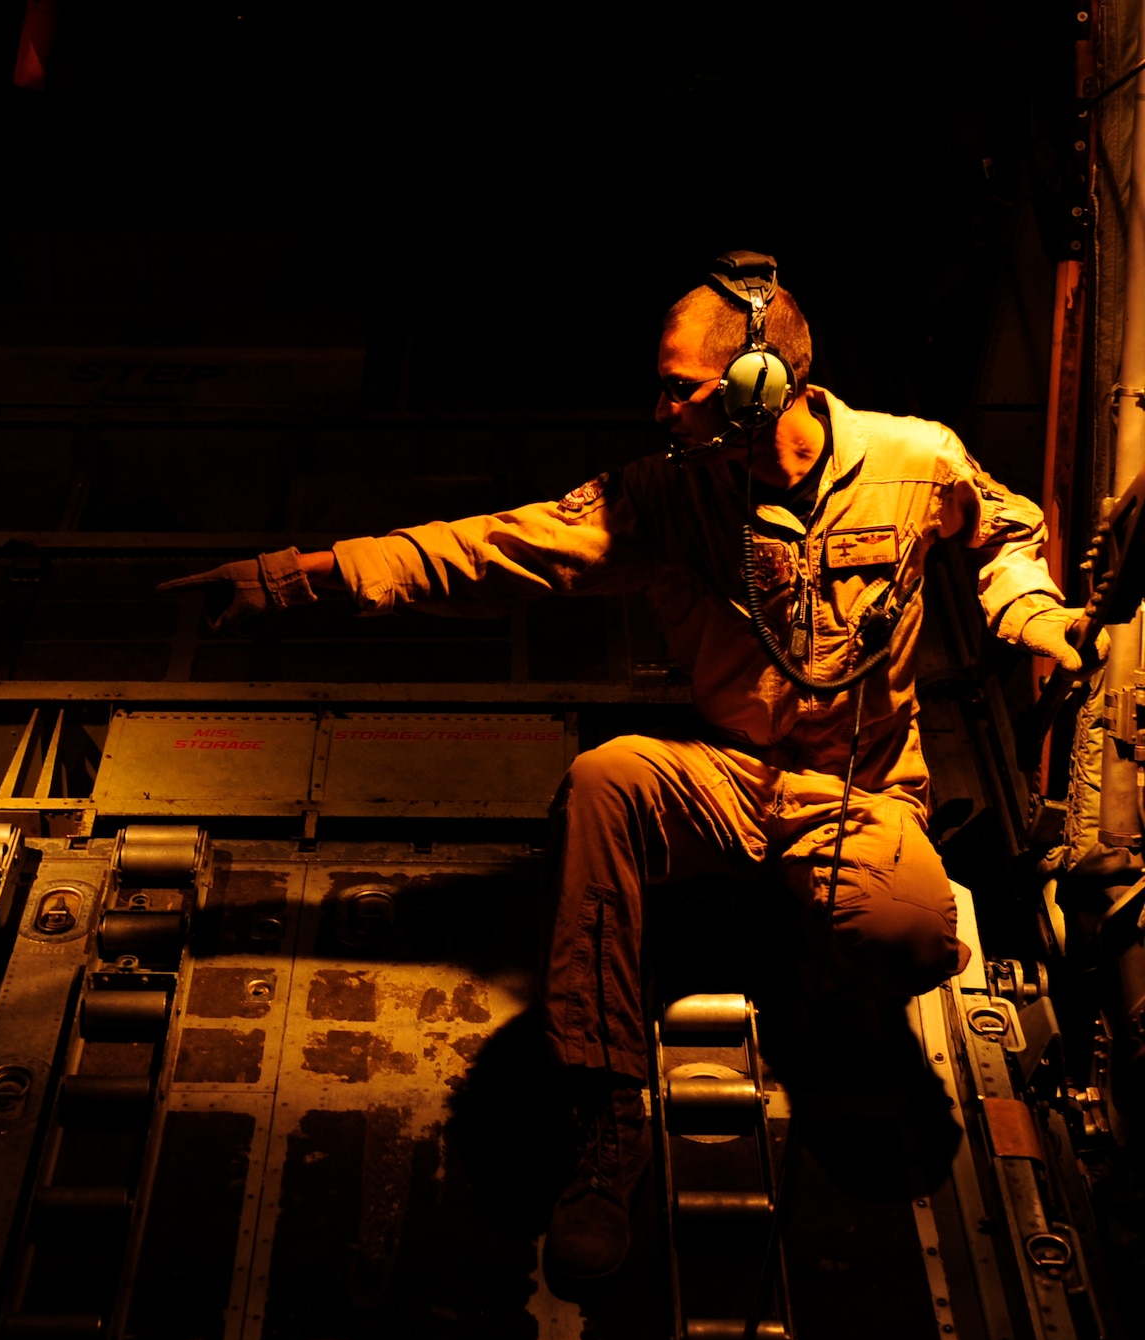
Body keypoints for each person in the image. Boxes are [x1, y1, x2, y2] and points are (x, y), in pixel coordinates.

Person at [161, 257, 1092, 1285]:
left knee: (914, 936)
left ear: (758, 387)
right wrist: (296, 580)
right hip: (728, 774)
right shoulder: (662, 498)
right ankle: (605, 1115)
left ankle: (818, 965)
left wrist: (1026, 607)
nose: (659, 408)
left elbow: (1003, 523)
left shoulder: (913, 462)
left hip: (857, 797)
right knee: (607, 778)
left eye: (680, 386)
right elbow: (495, 549)